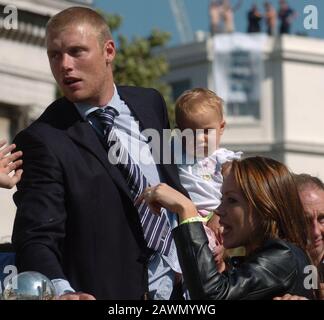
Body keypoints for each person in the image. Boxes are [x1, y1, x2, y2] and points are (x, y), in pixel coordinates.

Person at [12, 7, 188, 300]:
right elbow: (35, 237)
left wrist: (201, 239)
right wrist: (60, 291)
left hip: (183, 292)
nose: (65, 65)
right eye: (54, 55)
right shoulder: (41, 140)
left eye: (76, 51)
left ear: (109, 51)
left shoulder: (150, 104)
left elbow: (172, 184)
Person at [139, 157, 315, 299]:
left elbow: (212, 297)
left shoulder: (284, 255)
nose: (219, 211)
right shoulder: (269, 256)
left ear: (265, 207)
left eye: (232, 200)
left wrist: (187, 211)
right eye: (221, 199)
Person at [173, 88, 241, 269]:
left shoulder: (224, 160)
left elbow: (240, 193)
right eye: (191, 133)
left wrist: (218, 214)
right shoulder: (174, 155)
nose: (200, 139)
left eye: (206, 131)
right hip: (185, 218)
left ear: (221, 128)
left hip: (216, 217)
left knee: (210, 257)